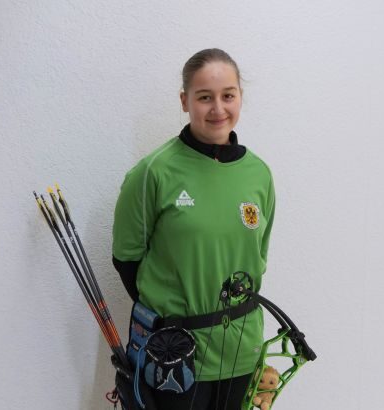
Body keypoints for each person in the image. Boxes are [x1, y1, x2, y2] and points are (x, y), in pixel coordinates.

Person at [112, 48, 276, 410]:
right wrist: (173, 322)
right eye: (204, 97)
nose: (218, 108)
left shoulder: (259, 174)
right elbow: (126, 260)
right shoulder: (153, 173)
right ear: (185, 101)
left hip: (242, 351)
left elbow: (258, 258)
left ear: (240, 97)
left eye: (228, 95)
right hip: (176, 358)